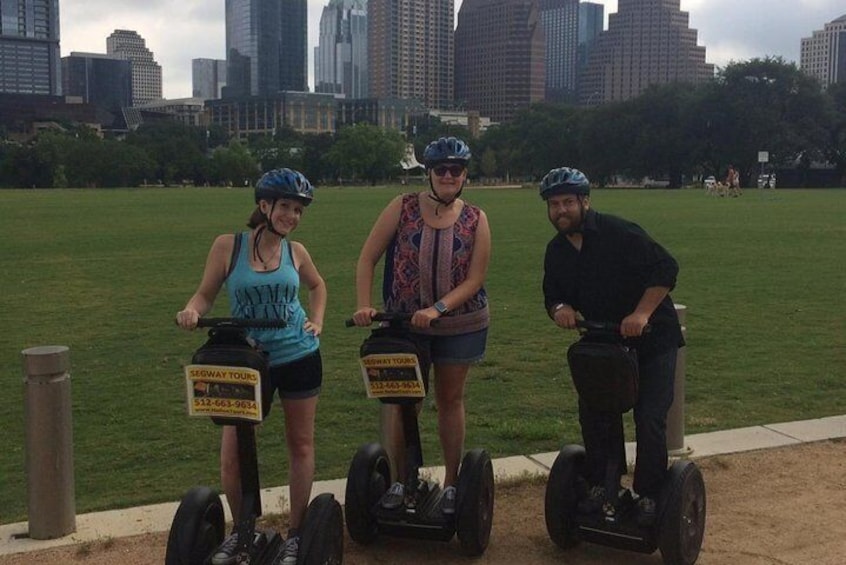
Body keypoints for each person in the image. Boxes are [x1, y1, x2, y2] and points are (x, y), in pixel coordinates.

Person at [176, 168, 327, 565]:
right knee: (233, 453)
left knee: (300, 443)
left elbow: (318, 285)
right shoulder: (229, 246)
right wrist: (192, 310)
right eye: (284, 207)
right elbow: (206, 293)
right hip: (247, 361)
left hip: (298, 354)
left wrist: (318, 321)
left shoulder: (297, 252)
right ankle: (243, 530)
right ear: (264, 206)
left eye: (298, 210)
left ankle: (295, 533)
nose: (291, 216)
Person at [351, 136, 491, 515]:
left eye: (455, 170)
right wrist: (364, 305)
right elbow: (367, 258)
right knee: (404, 404)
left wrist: (438, 308)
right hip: (404, 324)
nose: (448, 176)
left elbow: (475, 279)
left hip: (459, 323)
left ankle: (450, 481)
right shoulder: (403, 207)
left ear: (464, 175)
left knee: (449, 399)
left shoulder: (476, 218)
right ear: (428, 173)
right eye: (441, 169)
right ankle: (403, 479)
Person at [539, 167, 684, 527]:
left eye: (568, 202)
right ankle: (606, 486)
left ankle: (648, 494)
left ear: (585, 201)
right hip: (603, 343)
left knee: (649, 417)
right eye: (554, 204)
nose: (561, 210)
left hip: (653, 340)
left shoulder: (620, 233)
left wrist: (641, 313)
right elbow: (552, 296)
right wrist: (561, 310)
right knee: (598, 414)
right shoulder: (556, 251)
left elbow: (666, 268)